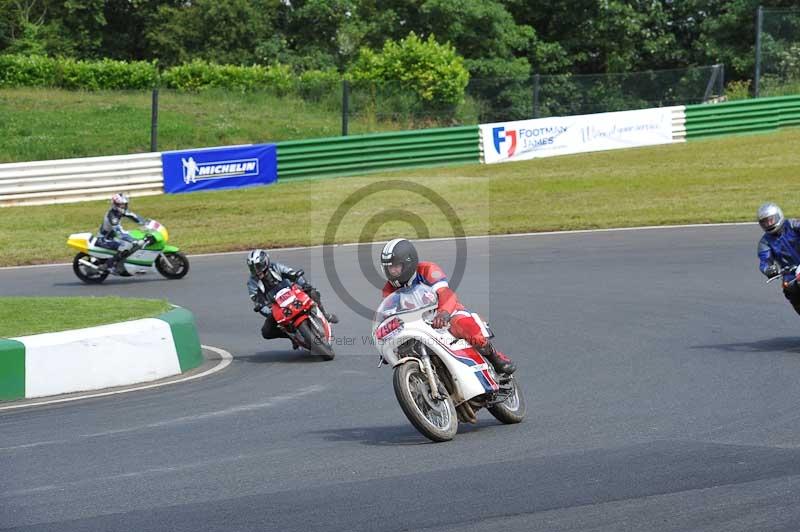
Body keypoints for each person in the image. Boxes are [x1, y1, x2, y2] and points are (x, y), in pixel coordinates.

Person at [379, 238, 516, 374]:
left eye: (396, 267)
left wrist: (443, 313)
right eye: (389, 268)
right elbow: (390, 318)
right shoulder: (388, 290)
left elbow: (446, 293)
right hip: (418, 325)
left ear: (408, 263)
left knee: (465, 327)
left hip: (446, 313)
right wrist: (388, 342)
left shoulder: (427, 269)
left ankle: (495, 357)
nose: (392, 272)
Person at [246, 249, 338, 345]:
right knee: (266, 332)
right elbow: (257, 302)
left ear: (265, 262)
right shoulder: (252, 283)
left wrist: (304, 284)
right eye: (253, 268)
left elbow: (293, 275)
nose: (257, 271)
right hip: (276, 307)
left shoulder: (276, 267)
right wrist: (268, 312)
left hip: (292, 294)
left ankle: (325, 315)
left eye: (258, 266)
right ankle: (292, 336)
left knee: (312, 292)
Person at [757, 202, 800, 315]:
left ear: (778, 216)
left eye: (771, 220)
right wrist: (768, 269)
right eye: (765, 222)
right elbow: (764, 261)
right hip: (790, 272)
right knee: (789, 288)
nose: (769, 223)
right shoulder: (765, 242)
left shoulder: (792, 225)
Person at [98, 193, 147, 274]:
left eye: (124, 204)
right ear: (115, 205)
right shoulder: (112, 216)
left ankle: (132, 264)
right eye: (121, 205)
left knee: (132, 242)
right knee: (125, 246)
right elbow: (119, 232)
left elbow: (133, 216)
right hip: (104, 239)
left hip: (112, 236)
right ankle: (109, 266)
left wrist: (145, 223)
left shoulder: (119, 211)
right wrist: (131, 239)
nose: (123, 206)